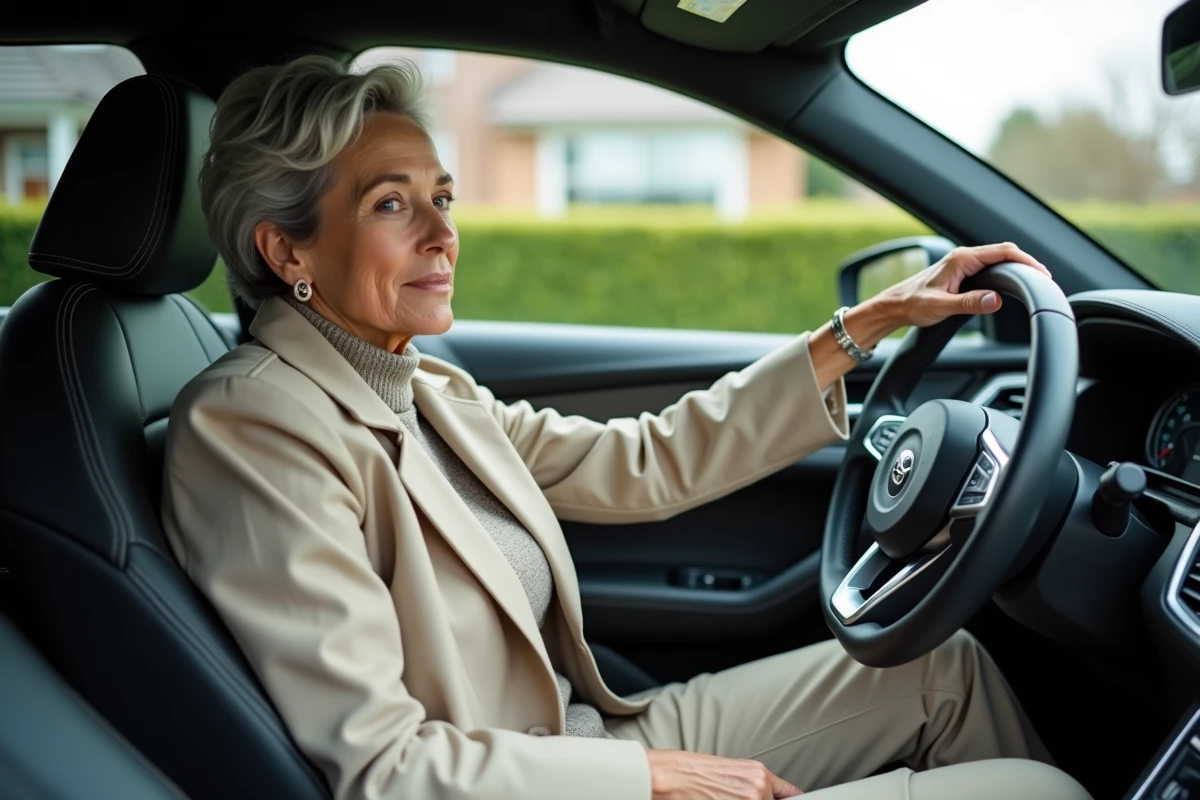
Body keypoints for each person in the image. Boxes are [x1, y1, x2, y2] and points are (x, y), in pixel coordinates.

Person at [161, 55, 1090, 800]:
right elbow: (385, 768)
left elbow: (642, 462)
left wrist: (863, 328)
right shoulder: (254, 425)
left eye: (441, 197)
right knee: (1038, 789)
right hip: (546, 781)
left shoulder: (426, 388)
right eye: (390, 204)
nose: (442, 235)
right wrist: (650, 780)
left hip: (587, 740)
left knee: (944, 670)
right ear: (286, 250)